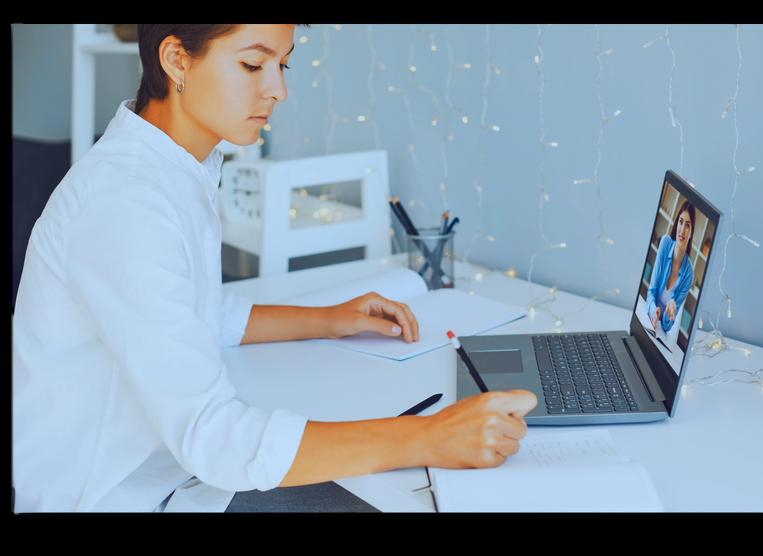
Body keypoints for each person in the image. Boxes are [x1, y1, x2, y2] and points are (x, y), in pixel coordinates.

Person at [12, 24, 537, 512]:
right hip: (125, 498)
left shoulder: (176, 165)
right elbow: (213, 439)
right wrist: (431, 436)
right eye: (252, 65)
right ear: (177, 60)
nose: (278, 90)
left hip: (169, 474)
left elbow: (199, 312)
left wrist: (331, 319)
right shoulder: (126, 203)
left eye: (282, 65)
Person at [646, 201, 696, 334]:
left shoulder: (689, 274)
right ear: (676, 223)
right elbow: (651, 292)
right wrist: (653, 311)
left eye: (687, 225)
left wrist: (669, 314)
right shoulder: (665, 243)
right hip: (649, 321)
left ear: (691, 232)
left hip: (661, 334)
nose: (682, 230)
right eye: (681, 222)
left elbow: (668, 326)